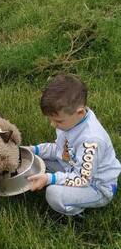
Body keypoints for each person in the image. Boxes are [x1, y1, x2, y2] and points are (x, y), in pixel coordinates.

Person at [27, 73, 121, 216]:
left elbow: (83, 179)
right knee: (35, 161)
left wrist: (50, 179)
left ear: (80, 112)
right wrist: (33, 150)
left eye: (58, 121)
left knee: (53, 193)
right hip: (72, 166)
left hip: (95, 186)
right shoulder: (70, 123)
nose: (53, 125)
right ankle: (60, 181)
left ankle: (74, 212)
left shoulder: (91, 141)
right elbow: (59, 150)